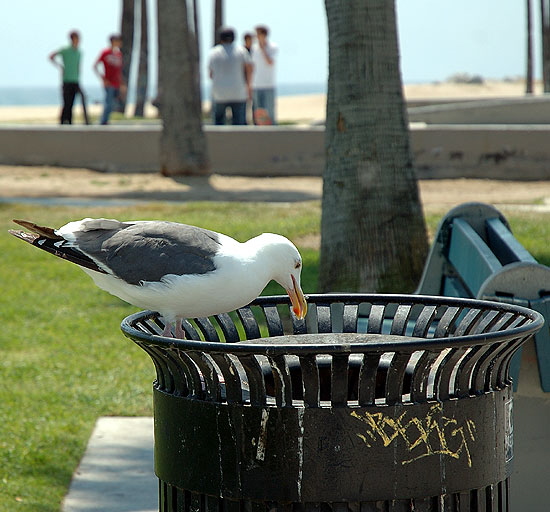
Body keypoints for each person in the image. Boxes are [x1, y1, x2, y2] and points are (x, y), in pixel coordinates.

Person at [208, 27, 252, 126]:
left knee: (218, 123)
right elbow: (249, 69)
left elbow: (210, 74)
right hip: (238, 91)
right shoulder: (242, 51)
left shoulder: (213, 53)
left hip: (219, 93)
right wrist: (249, 86)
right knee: (239, 124)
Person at [49, 31, 82, 125]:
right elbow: (51, 56)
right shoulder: (65, 50)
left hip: (75, 80)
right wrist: (60, 66)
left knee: (72, 103)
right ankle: (63, 121)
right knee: (66, 102)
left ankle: (70, 122)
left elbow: (78, 65)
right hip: (66, 80)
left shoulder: (79, 52)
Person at [93, 34, 124, 125]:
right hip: (109, 83)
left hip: (117, 83)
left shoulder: (119, 54)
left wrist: (122, 83)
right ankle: (103, 121)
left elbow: (119, 70)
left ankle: (105, 119)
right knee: (109, 102)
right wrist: (103, 78)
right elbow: (95, 66)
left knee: (114, 103)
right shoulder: (105, 53)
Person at [251, 25, 278, 125]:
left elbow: (270, 62)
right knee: (258, 115)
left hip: (268, 85)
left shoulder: (272, 47)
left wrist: (263, 49)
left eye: (258, 34)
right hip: (256, 85)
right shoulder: (254, 49)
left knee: (270, 114)